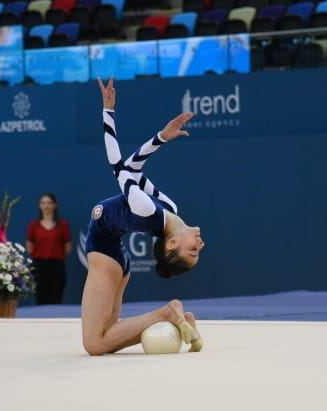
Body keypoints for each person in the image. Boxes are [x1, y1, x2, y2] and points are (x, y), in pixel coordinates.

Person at [80, 77, 205, 356]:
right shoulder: (168, 208)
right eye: (198, 251)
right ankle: (178, 322)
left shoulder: (147, 211)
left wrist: (107, 112)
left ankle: (167, 314)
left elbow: (118, 165)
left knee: (94, 344)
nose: (201, 245)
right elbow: (135, 170)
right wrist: (161, 138)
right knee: (107, 336)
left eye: (193, 251)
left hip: (104, 254)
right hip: (115, 258)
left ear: (172, 245)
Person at [26, 193, 72, 305]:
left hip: (57, 267)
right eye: (43, 203)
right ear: (39, 205)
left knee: (56, 299)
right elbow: (30, 247)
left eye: (49, 203)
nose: (46, 206)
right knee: (40, 299)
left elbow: (67, 247)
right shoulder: (34, 225)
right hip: (38, 267)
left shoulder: (62, 225)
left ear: (55, 205)